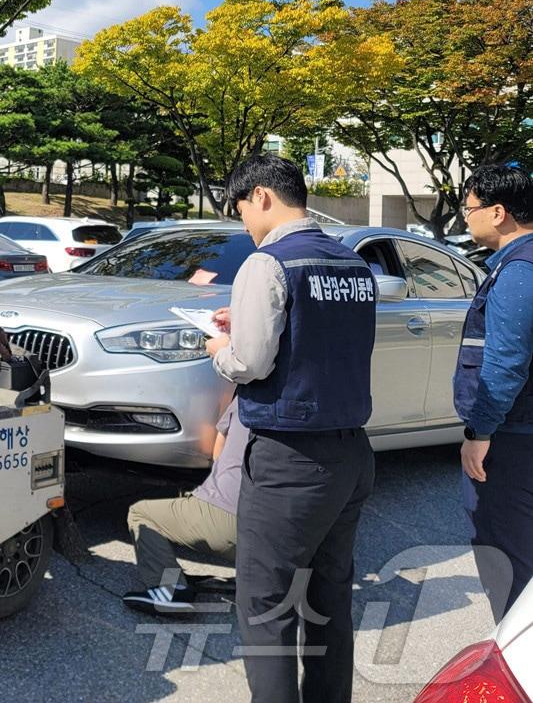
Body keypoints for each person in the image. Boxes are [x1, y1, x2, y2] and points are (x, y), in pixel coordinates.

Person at [205, 154, 376, 703]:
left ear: (261, 197)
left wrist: (220, 350)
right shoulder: (350, 263)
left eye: (242, 213)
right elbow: (320, 335)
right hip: (351, 453)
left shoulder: (268, 263)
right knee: (327, 599)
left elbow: (250, 363)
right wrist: (252, 324)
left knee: (266, 605)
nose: (246, 227)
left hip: (289, 459)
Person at [452, 162, 533, 622]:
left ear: (498, 212)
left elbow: (504, 364)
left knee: (507, 560)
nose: (467, 217)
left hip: (512, 439)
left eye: (470, 208)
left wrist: (479, 432)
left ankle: (515, 669)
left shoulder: (518, 272)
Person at [121, 397, 246, 615]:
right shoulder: (319, 407)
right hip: (288, 535)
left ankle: (169, 589)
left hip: (230, 520)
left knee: (141, 514)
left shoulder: (249, 400)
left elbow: (218, 453)